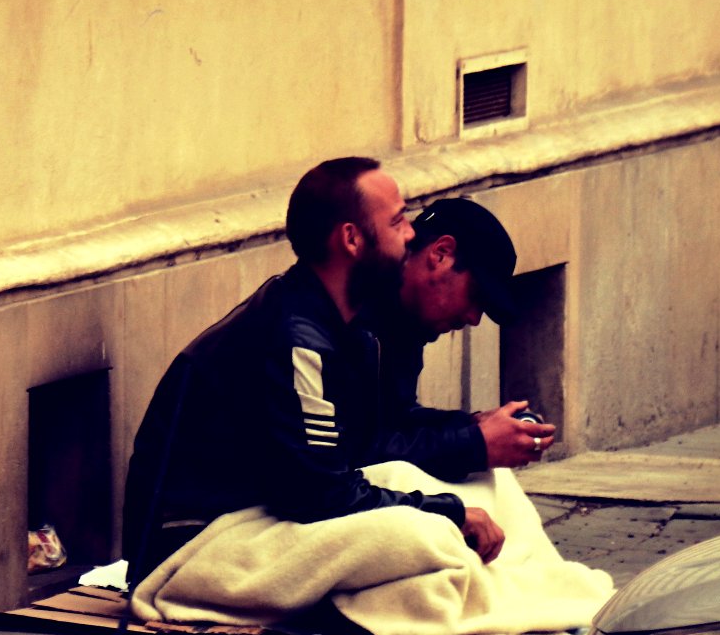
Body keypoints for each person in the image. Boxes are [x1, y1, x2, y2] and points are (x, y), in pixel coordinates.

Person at [122, 157, 504, 588]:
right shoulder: (296, 337)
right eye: (397, 221)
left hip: (265, 513)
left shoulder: (345, 326)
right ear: (352, 239)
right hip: (195, 543)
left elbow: (363, 452)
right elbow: (320, 494)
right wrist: (446, 511)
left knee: (477, 490)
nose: (412, 233)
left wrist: (466, 436)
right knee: (425, 535)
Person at [371, 197, 557, 482]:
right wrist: (475, 444)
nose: (473, 318)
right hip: (311, 501)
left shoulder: (407, 318)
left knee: (495, 482)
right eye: (475, 297)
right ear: (441, 253)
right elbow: (354, 453)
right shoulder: (356, 311)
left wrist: (471, 425)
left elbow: (394, 420)